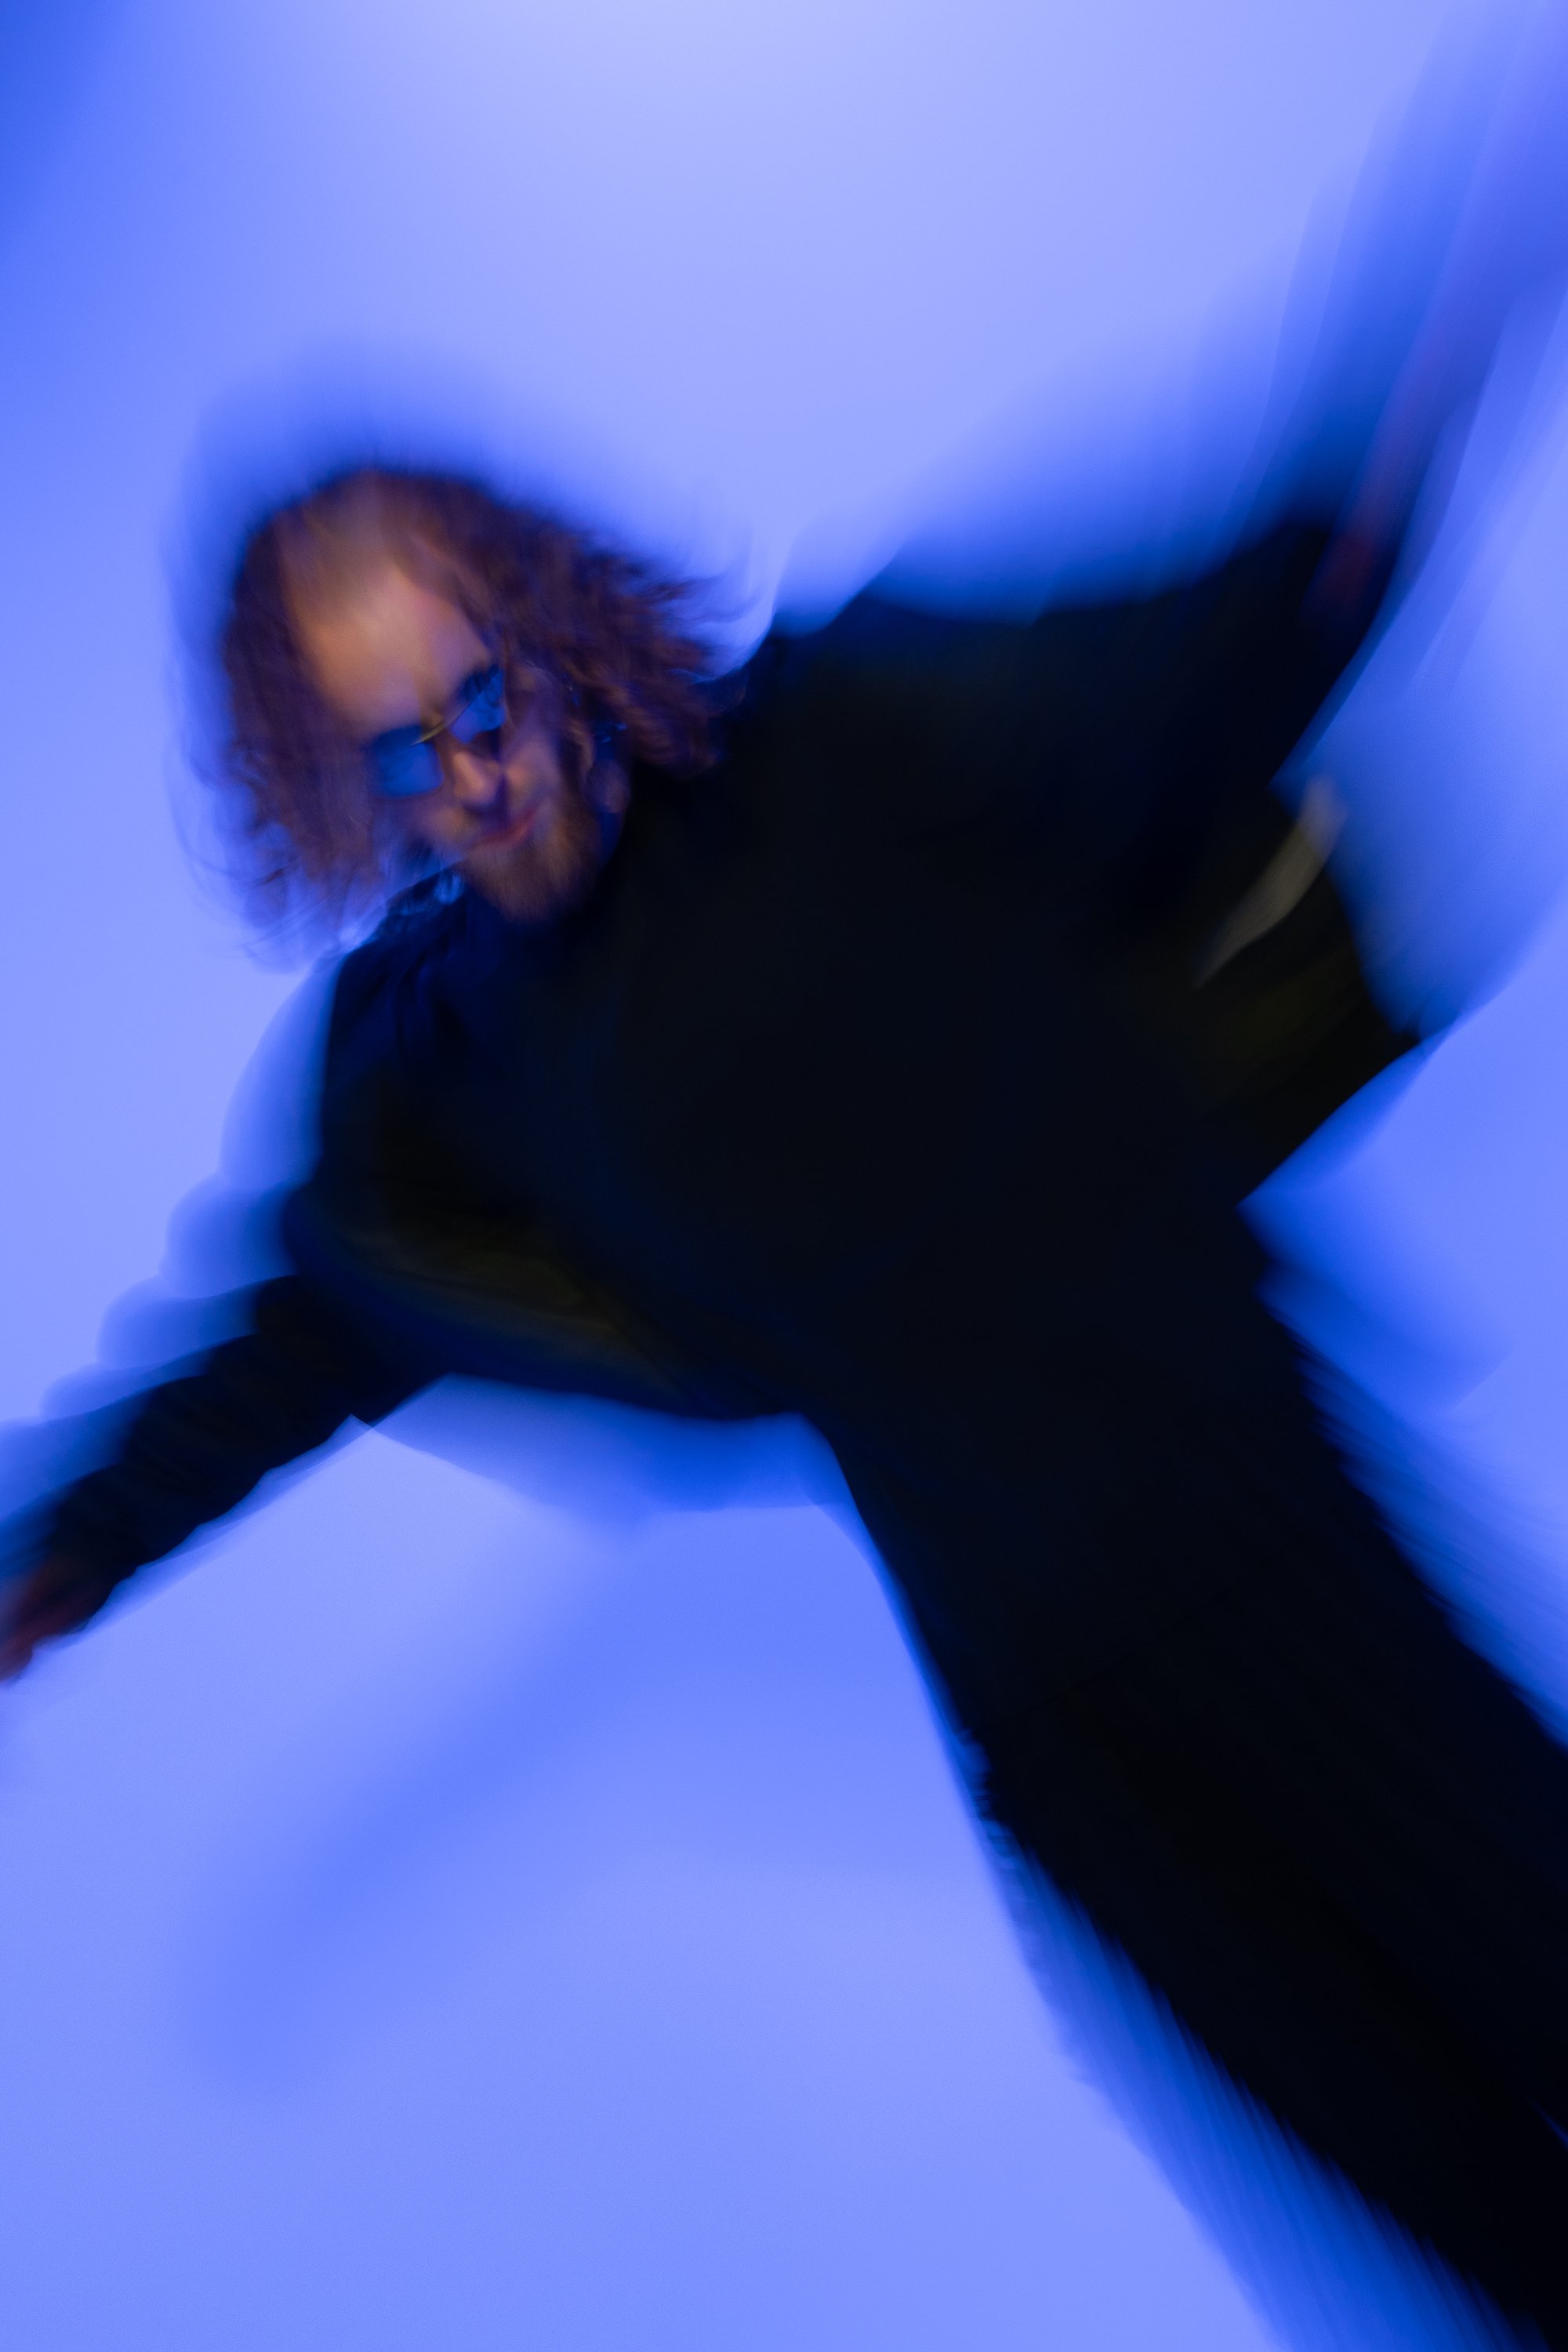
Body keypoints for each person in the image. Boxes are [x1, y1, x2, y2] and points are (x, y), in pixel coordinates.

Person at [9, 25, 1568, 2346]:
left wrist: (1453, 321)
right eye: (400, 756)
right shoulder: (439, 1069)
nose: (473, 776)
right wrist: (51, 1564)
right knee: (1465, 2231)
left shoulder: (855, 746)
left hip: (1276, 1557)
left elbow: (1229, 627)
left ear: (553, 626)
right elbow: (297, 1330)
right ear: (334, 788)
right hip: (1057, 1722)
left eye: (484, 697)